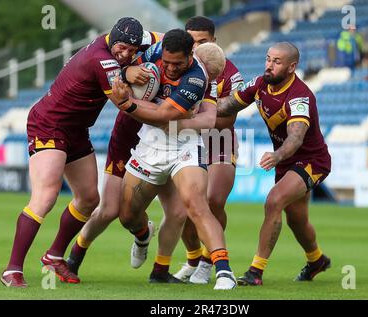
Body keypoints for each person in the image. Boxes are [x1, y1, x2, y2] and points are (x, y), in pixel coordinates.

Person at [0, 17, 155, 288]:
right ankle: (12, 269)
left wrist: (184, 39)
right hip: (50, 124)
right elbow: (123, 102)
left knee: (88, 198)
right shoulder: (102, 60)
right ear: (111, 39)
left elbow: (156, 37)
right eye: (122, 48)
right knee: (46, 196)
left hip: (76, 129)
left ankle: (53, 256)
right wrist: (162, 112)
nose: (127, 54)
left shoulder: (121, 41)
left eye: (132, 50)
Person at [111, 29, 236, 290]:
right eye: (166, 63)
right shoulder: (156, 48)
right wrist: (125, 73)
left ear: (190, 56)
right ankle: (143, 235)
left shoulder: (197, 79)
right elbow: (118, 51)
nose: (169, 68)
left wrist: (128, 105)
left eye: (176, 64)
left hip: (184, 144)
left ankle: (224, 271)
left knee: (196, 205)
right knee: (126, 215)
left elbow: (164, 115)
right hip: (149, 144)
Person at [216, 42, 331, 285]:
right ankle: (317, 260)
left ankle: (255, 272)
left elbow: (296, 137)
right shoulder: (260, 83)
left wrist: (277, 156)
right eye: (268, 58)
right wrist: (193, 108)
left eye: (276, 61)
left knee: (274, 200)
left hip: (311, 161)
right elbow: (228, 105)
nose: (269, 65)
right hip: (286, 161)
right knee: (297, 220)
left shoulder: (300, 96)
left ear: (292, 67)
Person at [171, 16, 244, 284]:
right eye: (192, 41)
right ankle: (192, 259)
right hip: (187, 142)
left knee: (213, 200)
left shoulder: (231, 73)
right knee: (181, 210)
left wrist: (188, 117)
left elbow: (227, 120)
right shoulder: (177, 66)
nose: (196, 46)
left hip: (219, 141)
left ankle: (207, 261)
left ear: (214, 41)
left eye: (202, 41)